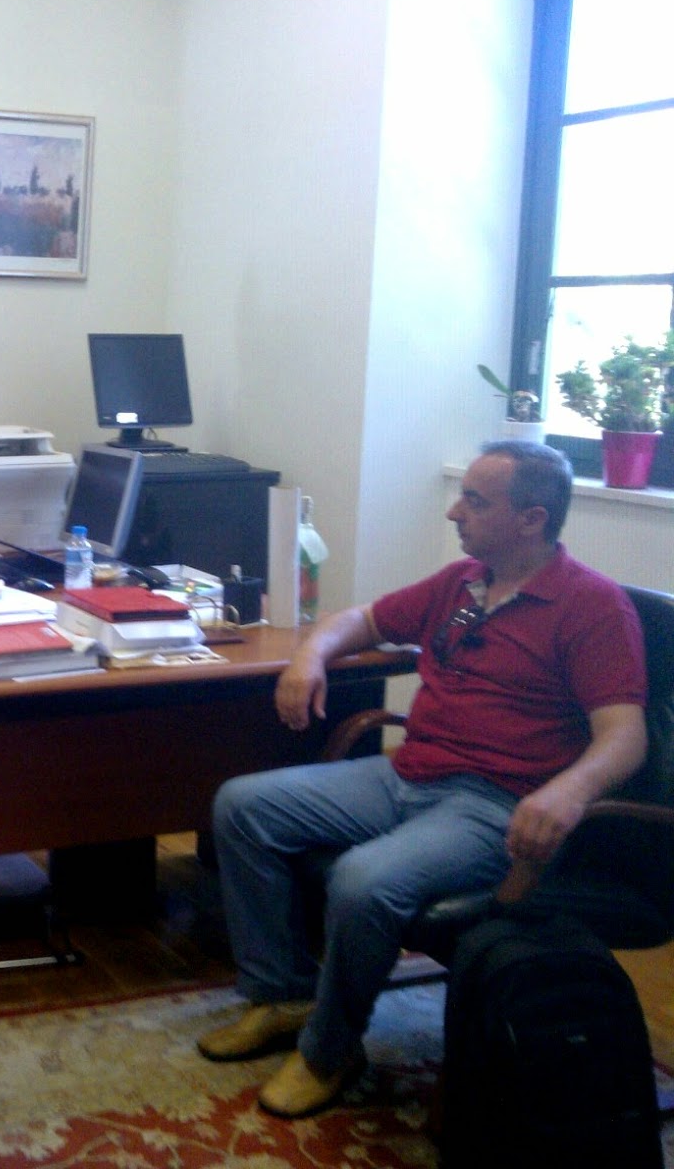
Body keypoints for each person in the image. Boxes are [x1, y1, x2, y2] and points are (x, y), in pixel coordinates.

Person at [198, 440, 647, 1119]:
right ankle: (284, 994)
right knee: (243, 806)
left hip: (494, 803)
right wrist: (309, 657)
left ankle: (330, 1051)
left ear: (531, 519)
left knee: (363, 880)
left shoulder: (593, 607)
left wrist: (571, 789)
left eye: (476, 501)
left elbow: (625, 736)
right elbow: (361, 620)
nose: (453, 512)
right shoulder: (462, 582)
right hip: (407, 773)